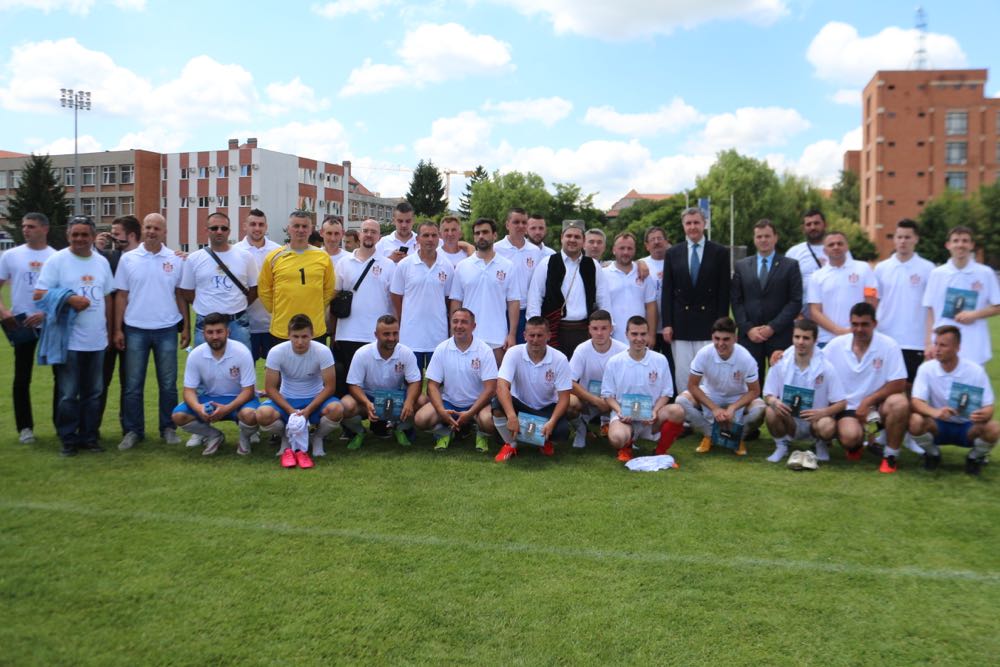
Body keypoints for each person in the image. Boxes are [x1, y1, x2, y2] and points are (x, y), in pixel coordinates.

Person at [32, 217, 113, 456]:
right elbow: (39, 294)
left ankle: (89, 437)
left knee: (94, 392)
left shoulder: (101, 262)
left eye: (84, 235)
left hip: (97, 339)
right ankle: (68, 439)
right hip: (69, 340)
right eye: (75, 234)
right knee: (68, 393)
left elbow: (107, 296)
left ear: (92, 236)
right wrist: (69, 298)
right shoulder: (57, 261)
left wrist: (109, 330)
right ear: (68, 236)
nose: (80, 239)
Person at [113, 213, 190, 450]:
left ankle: (168, 428)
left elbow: (180, 294)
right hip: (135, 328)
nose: (151, 231)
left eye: (156, 228)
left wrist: (185, 326)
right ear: (142, 230)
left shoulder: (175, 259)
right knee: (133, 385)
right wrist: (117, 329)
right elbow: (121, 295)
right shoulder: (129, 259)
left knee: (167, 384)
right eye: (148, 227)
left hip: (166, 329)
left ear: (164, 232)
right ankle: (133, 431)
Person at [824, 302, 909, 473]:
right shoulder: (836, 345)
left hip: (877, 408)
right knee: (850, 438)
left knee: (899, 403)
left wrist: (869, 401)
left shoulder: (889, 345)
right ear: (850, 323)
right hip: (848, 408)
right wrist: (782, 355)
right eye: (855, 324)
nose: (859, 329)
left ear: (874, 324)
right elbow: (813, 360)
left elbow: (899, 382)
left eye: (865, 324)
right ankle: (857, 445)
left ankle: (890, 456)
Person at [910, 325, 999, 475]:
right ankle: (933, 454)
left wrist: (983, 414)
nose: (937, 349)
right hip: (938, 426)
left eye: (943, 345)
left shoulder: (975, 371)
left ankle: (974, 458)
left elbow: (989, 407)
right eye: (936, 344)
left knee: (994, 428)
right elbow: (916, 401)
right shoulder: (926, 368)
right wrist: (936, 412)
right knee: (915, 420)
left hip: (968, 427)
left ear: (957, 348)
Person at [255, 314, 342, 468]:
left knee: (337, 409)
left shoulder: (322, 351)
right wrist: (290, 411)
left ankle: (317, 437)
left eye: (304, 336)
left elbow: (330, 387)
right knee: (262, 414)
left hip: (315, 397)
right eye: (295, 336)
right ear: (288, 335)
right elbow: (270, 388)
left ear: (312, 335)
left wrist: (308, 410)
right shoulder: (276, 352)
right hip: (287, 398)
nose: (300, 342)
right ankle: (286, 438)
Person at [661, 207, 731, 392]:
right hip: (681, 324)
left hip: (709, 324)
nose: (693, 227)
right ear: (683, 226)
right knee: (684, 375)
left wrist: (721, 327)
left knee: (709, 374)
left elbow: (723, 292)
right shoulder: (673, 253)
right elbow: (667, 291)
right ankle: (686, 416)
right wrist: (667, 323)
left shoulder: (720, 252)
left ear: (704, 224)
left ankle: (709, 414)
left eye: (696, 222)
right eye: (688, 223)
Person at [0, 212, 55, 444]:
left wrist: (46, 313)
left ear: (44, 229)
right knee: (22, 377)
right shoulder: (10, 255)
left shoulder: (56, 257)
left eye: (31, 226)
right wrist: (4, 312)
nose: (25, 229)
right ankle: (25, 428)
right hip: (21, 324)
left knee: (60, 376)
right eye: (24, 226)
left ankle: (61, 424)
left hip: (50, 324)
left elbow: (62, 293)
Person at [170, 312, 259, 457]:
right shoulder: (196, 354)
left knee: (251, 416)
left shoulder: (242, 352)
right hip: (210, 400)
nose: (215, 336)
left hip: (239, 399)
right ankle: (214, 435)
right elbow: (188, 391)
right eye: (210, 332)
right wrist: (199, 408)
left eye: (219, 331)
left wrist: (227, 409)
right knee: (179, 415)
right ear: (204, 334)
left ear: (227, 332)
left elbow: (248, 391)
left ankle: (244, 438)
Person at [675, 317, 765, 456]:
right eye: (717, 338)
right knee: (680, 402)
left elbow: (755, 391)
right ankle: (711, 434)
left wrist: (733, 407)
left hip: (738, 397)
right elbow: (692, 386)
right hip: (710, 393)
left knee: (760, 409)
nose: (720, 343)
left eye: (726, 339)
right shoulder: (704, 353)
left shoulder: (745, 358)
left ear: (735, 338)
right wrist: (715, 408)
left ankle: (736, 437)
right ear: (712, 337)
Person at [762, 318, 846, 463]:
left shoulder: (826, 367)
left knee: (827, 425)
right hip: (789, 422)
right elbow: (767, 395)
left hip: (815, 423)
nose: (800, 342)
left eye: (806, 338)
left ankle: (821, 444)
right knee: (770, 411)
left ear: (815, 340)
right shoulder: (780, 362)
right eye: (797, 337)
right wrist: (775, 401)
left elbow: (842, 402)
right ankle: (781, 446)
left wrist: (822, 413)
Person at [415, 307, 498, 452]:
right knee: (421, 420)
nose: (459, 326)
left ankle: (480, 432)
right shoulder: (442, 348)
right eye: (455, 322)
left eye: (464, 322)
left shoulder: (484, 350)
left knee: (489, 423)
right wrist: (441, 411)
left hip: (477, 404)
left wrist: (471, 412)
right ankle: (444, 431)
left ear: (473, 326)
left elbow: (490, 388)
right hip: (449, 403)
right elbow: (432, 386)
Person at [731, 219, 803, 386]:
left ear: (775, 238)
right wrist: (747, 328)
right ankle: (753, 411)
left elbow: (795, 301)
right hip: (750, 336)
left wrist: (772, 327)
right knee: (749, 382)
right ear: (754, 239)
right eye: (759, 236)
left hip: (780, 334)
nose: (763, 240)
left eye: (767, 236)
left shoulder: (790, 265)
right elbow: (736, 300)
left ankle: (778, 412)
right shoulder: (742, 266)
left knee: (782, 380)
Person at [602, 316, 684, 462]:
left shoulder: (660, 360)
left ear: (648, 334)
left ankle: (660, 451)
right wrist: (620, 412)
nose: (639, 338)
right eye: (634, 334)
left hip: (651, 418)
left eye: (643, 334)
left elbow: (666, 393)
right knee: (616, 438)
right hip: (624, 417)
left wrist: (655, 411)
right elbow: (608, 395)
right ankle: (626, 446)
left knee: (677, 411)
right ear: (626, 334)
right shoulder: (615, 362)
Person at [492, 316, 574, 462]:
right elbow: (501, 385)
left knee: (561, 431)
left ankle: (544, 440)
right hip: (520, 406)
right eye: (531, 335)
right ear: (525, 336)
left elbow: (564, 398)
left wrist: (552, 422)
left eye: (540, 335)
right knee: (497, 404)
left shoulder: (560, 358)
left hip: (546, 408)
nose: (535, 340)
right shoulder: (513, 353)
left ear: (548, 336)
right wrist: (511, 416)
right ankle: (510, 444)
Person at [526, 219, 610, 357]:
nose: (572, 240)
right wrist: (535, 329)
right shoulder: (547, 263)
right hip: (554, 331)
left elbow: (603, 299)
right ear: (561, 238)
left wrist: (607, 327)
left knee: (581, 376)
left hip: (585, 331)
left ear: (583, 241)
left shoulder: (593, 265)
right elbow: (535, 297)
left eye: (577, 237)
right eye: (569, 236)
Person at [340, 315, 423, 449]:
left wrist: (409, 402)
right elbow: (353, 385)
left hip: (396, 397)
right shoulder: (362, 353)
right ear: (376, 335)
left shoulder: (406, 353)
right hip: (369, 398)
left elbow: (415, 382)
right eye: (386, 334)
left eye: (395, 333)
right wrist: (367, 403)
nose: (391, 338)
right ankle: (358, 432)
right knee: (345, 406)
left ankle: (400, 428)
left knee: (421, 402)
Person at [332, 218, 395, 391]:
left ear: (379, 237)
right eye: (365, 230)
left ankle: (378, 418)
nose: (369, 235)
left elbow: (394, 301)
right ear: (359, 234)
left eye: (373, 232)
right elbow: (335, 298)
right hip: (348, 334)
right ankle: (350, 417)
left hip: (376, 335)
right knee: (350, 384)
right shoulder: (343, 263)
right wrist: (334, 332)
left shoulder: (389, 265)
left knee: (376, 384)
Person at [178, 212, 257, 349]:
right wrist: (206, 304)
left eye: (223, 228)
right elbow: (187, 291)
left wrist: (237, 304)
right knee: (205, 367)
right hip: (206, 324)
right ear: (206, 231)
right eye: (214, 228)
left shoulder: (245, 257)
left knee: (240, 367)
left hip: (237, 323)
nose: (219, 231)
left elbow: (254, 290)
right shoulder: (194, 259)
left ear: (229, 231)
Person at [923, 225, 1000, 366]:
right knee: (942, 385)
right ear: (948, 245)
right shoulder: (937, 274)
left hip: (974, 345)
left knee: (968, 388)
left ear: (972, 245)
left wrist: (974, 314)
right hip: (942, 345)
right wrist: (929, 343)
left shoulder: (985, 273)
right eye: (956, 240)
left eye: (965, 241)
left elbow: (997, 307)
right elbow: (930, 310)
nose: (960, 245)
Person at [257, 210, 335, 345]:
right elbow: (264, 290)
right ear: (289, 229)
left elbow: (329, 289)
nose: (301, 230)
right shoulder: (274, 257)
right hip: (283, 329)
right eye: (296, 226)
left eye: (305, 226)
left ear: (311, 230)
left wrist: (316, 306)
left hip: (314, 329)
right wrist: (277, 309)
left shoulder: (323, 257)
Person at [449, 218, 519, 365]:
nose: (481, 236)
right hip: (468, 337)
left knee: (495, 384)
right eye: (477, 233)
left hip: (497, 338)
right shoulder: (462, 266)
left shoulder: (508, 266)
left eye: (485, 232)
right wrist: (453, 333)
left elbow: (513, 302)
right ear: (473, 237)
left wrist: (511, 334)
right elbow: (456, 302)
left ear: (494, 235)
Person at [96, 214, 141, 437]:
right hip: (106, 329)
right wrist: (97, 248)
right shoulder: (108, 258)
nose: (113, 238)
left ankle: (129, 427)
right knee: (100, 380)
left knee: (129, 382)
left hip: (132, 329)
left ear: (131, 235)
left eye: (117, 234)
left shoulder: (141, 259)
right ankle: (92, 427)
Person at [874, 219, 934, 383]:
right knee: (884, 387)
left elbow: (931, 307)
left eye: (907, 237)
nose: (903, 241)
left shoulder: (928, 268)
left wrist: (929, 340)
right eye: (899, 237)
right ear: (894, 239)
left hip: (915, 342)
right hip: (886, 338)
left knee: (910, 389)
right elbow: (875, 302)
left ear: (916, 239)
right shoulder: (881, 268)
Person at [390, 220, 453, 370]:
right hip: (411, 335)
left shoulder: (447, 266)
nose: (430, 239)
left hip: (437, 335)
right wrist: (403, 319)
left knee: (436, 382)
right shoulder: (405, 265)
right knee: (411, 382)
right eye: (425, 235)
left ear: (439, 238)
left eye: (433, 235)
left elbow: (448, 299)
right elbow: (396, 296)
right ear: (418, 239)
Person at [567, 309, 627, 448]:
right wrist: (595, 400)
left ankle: (628, 435)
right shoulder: (582, 349)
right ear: (589, 329)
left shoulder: (623, 350)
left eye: (604, 328)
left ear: (611, 329)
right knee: (568, 402)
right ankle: (581, 431)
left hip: (616, 401)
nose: (599, 333)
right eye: (595, 328)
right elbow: (569, 381)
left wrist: (610, 401)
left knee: (619, 439)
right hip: (589, 400)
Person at [807, 231, 878, 346]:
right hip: (827, 339)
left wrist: (856, 328)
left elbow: (871, 300)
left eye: (840, 243)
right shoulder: (816, 276)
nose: (836, 247)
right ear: (824, 250)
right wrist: (838, 331)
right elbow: (814, 312)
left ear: (846, 247)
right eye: (831, 244)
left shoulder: (863, 268)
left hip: (858, 336)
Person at [234, 208, 281, 361]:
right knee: (245, 373)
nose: (257, 228)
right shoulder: (235, 252)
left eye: (261, 225)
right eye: (253, 224)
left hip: (272, 323)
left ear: (266, 227)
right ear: (244, 226)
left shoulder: (277, 251)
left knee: (276, 372)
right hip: (245, 324)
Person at [495, 207, 542, 344]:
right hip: (500, 310)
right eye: (516, 222)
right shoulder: (496, 249)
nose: (520, 226)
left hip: (525, 311)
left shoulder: (534, 251)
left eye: (524, 222)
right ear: (507, 224)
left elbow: (536, 285)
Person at [602, 232, 657, 344]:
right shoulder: (603, 274)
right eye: (621, 248)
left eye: (629, 248)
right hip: (612, 339)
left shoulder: (644, 274)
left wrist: (651, 335)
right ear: (614, 249)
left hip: (639, 338)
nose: (625, 252)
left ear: (635, 250)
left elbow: (651, 306)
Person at [785, 208, 830, 314]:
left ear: (825, 225)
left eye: (816, 223)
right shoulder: (793, 252)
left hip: (833, 313)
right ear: (803, 228)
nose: (812, 227)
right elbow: (784, 286)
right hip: (803, 316)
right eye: (808, 224)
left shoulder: (838, 250)